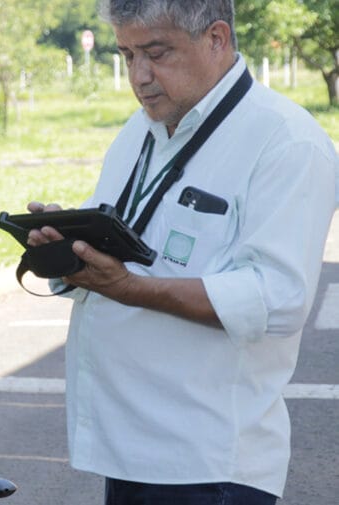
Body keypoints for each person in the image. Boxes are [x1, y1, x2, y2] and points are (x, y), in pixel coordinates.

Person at [25, 1, 339, 504]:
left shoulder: (287, 143)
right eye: (127, 55)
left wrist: (129, 288)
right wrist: (70, 249)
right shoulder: (141, 130)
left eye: (156, 53)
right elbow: (122, 241)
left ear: (216, 39)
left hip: (208, 463)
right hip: (126, 448)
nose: (139, 77)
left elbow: (276, 299)